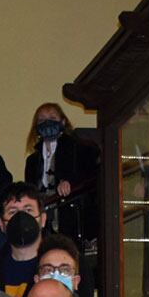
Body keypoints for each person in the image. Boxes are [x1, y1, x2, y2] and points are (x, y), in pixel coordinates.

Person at [23, 102, 99, 246]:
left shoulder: (79, 149)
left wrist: (70, 181)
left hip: (70, 219)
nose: (47, 123)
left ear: (63, 122)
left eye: (52, 118)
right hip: (44, 221)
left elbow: (92, 173)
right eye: (42, 120)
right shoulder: (32, 160)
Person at [0, 184, 49, 297]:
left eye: (28, 210)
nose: (21, 217)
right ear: (1, 224)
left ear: (43, 219)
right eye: (12, 212)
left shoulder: (65, 265)